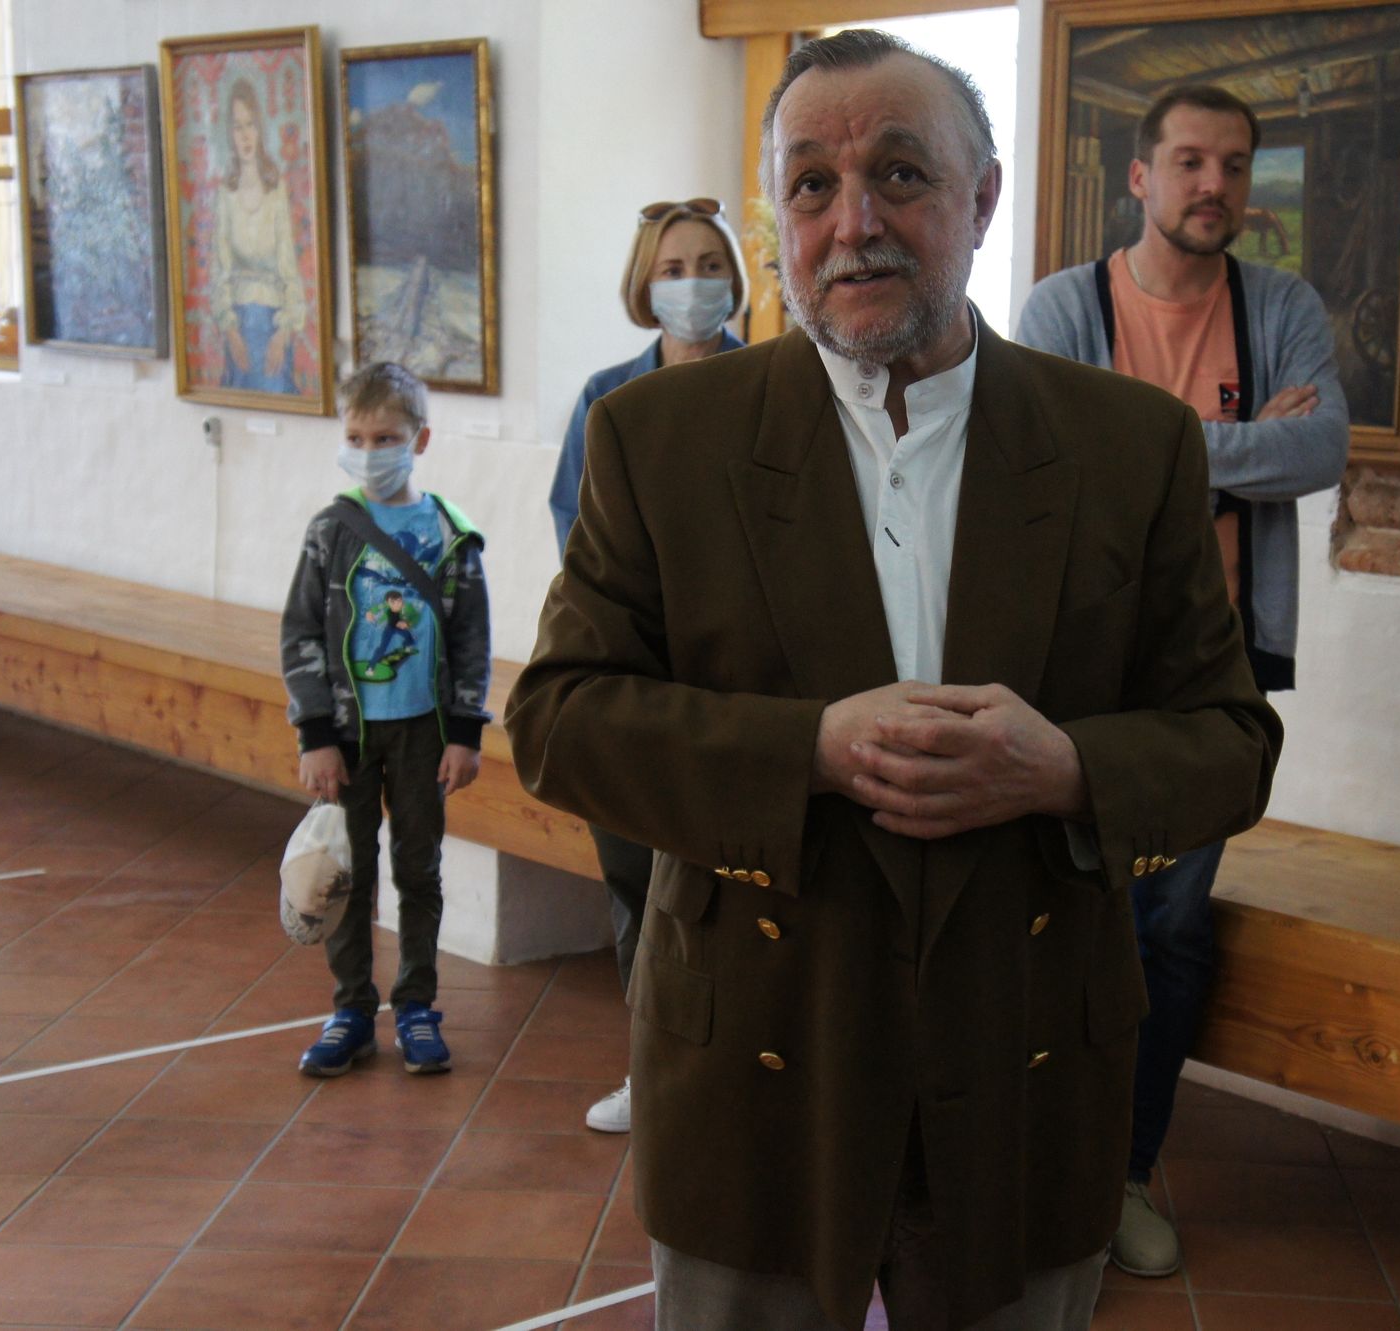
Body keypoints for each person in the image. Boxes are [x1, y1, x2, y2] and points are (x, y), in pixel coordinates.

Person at [507, 31, 1281, 1331]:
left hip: (1025, 1058)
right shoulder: (660, 439)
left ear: (982, 200)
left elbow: (1230, 740)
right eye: (812, 185)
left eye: (901, 174)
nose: (853, 223)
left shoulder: (1126, 444)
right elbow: (558, 719)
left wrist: (1067, 768)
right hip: (760, 1065)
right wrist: (810, 748)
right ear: (778, 219)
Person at [1015, 85, 1349, 1279]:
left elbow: (1320, 447)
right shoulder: (1064, 307)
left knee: (1167, 925)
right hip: (1080, 669)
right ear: (1140, 178)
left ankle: (1121, 1170)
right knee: (1060, 913)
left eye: (1235, 165)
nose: (1214, 185)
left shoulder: (1281, 306)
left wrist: (1145, 439)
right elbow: (1050, 462)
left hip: (1217, 672)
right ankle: (1033, 1164)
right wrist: (1227, 447)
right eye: (1191, 161)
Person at [549, 196, 748, 1134]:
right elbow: (576, 528)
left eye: (708, 265)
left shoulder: (772, 381)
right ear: (644, 284)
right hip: (634, 676)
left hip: (741, 684)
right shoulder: (607, 395)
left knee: (740, 895)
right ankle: (654, 1072)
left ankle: (749, 1080)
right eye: (673, 269)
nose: (692, 284)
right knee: (637, 886)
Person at [281, 361, 491, 1077]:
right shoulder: (330, 531)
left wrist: (465, 732)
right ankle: (350, 1010)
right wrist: (315, 734)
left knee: (418, 871)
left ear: (419, 439)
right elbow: (300, 634)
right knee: (348, 872)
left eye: (386, 438)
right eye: (357, 437)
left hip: (424, 733)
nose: (370, 452)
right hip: (347, 736)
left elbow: (471, 640)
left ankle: (417, 1006)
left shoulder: (452, 536)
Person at [213, 78, 306, 395]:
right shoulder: (225, 195)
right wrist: (231, 333)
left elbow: (288, 268)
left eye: (250, 124)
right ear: (230, 133)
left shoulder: (275, 190)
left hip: (273, 323)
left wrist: (283, 334)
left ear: (260, 128)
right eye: (237, 126)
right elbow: (220, 270)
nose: (245, 135)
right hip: (239, 325)